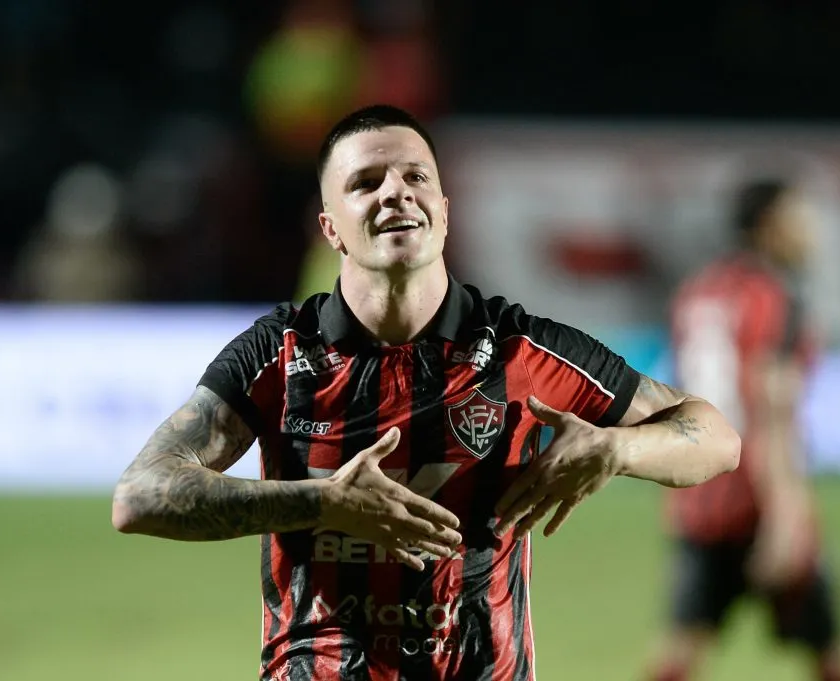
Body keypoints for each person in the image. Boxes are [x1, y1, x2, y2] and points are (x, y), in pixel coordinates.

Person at [111, 104, 741, 681]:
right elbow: (139, 496)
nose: (395, 192)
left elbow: (716, 437)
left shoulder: (522, 348)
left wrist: (615, 451)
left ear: (443, 208)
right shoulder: (277, 354)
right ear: (330, 228)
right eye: (366, 183)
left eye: (415, 177)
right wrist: (321, 503)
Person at [646, 179, 840, 681]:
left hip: (700, 491)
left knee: (680, 648)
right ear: (770, 225)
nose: (810, 230)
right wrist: (787, 515)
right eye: (800, 216)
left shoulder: (697, 291)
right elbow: (772, 408)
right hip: (759, 493)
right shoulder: (776, 296)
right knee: (829, 655)